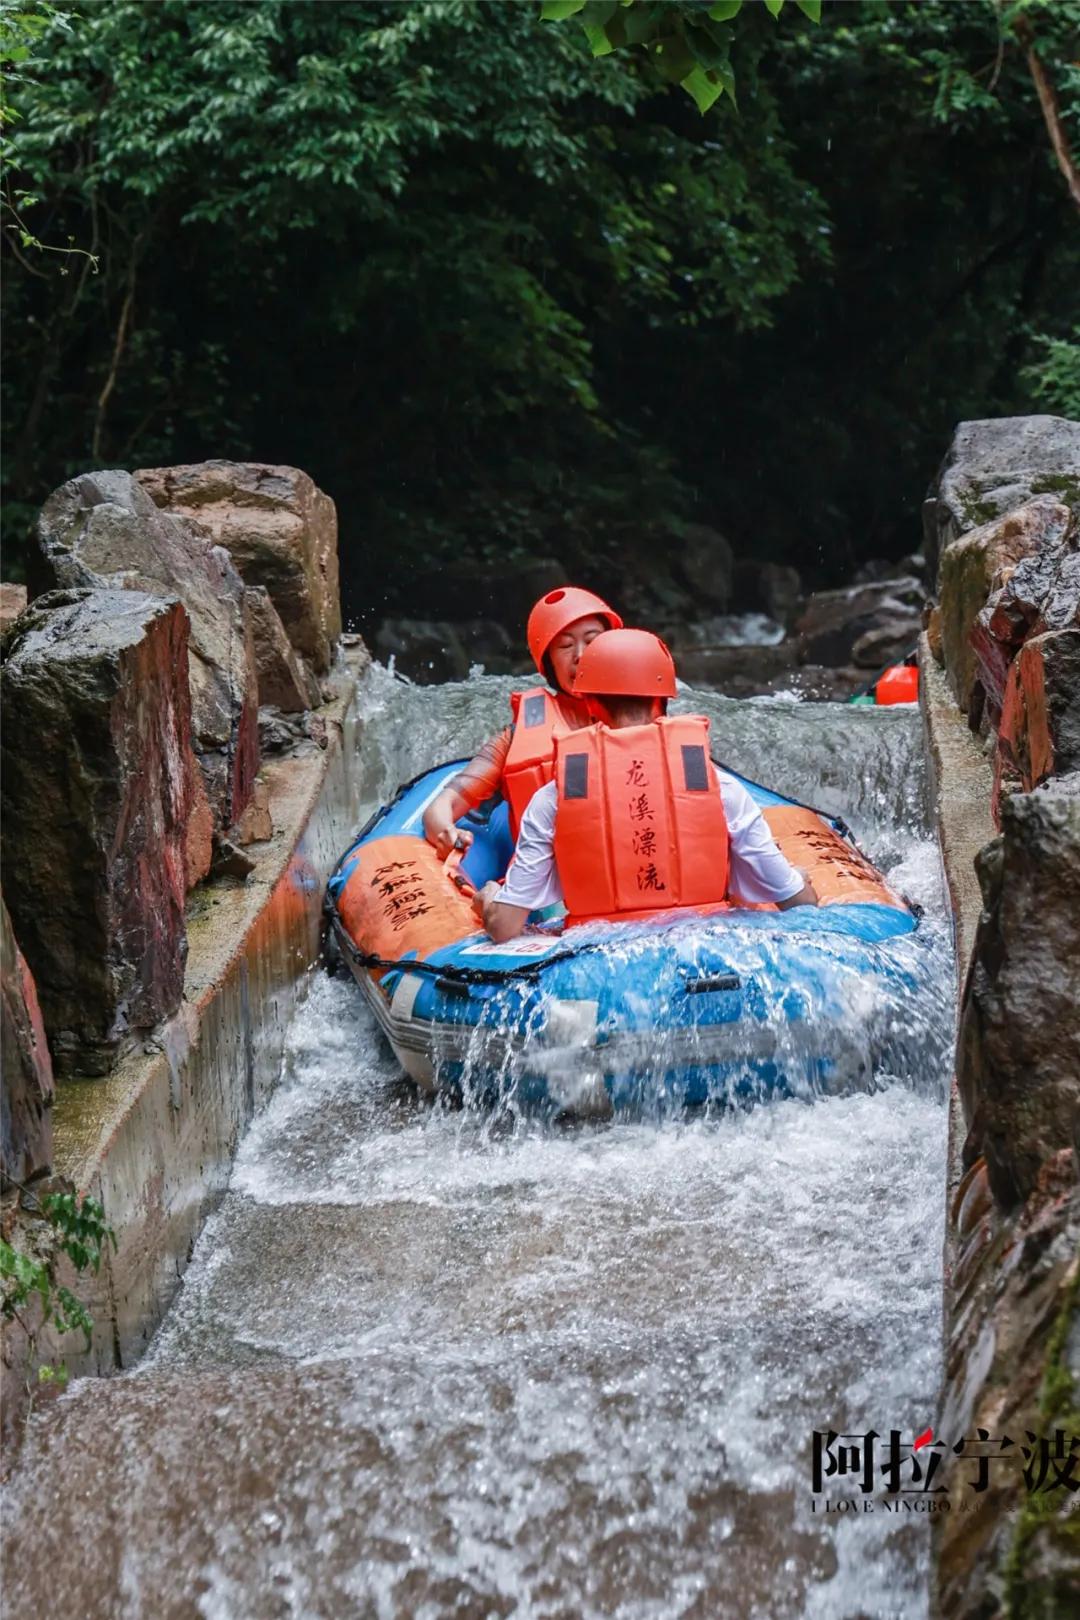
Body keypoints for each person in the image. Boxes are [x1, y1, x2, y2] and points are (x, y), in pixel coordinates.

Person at [477, 628, 818, 942]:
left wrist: (489, 899)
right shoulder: (718, 786)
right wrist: (801, 880)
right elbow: (800, 905)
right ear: (663, 703)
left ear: (591, 704)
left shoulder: (554, 797)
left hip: (598, 958)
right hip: (705, 948)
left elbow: (505, 927)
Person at [422, 586, 623, 858]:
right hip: (552, 886)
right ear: (550, 664)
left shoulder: (644, 718)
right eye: (565, 646)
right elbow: (445, 804)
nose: (580, 654)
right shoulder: (516, 738)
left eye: (592, 640)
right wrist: (446, 831)